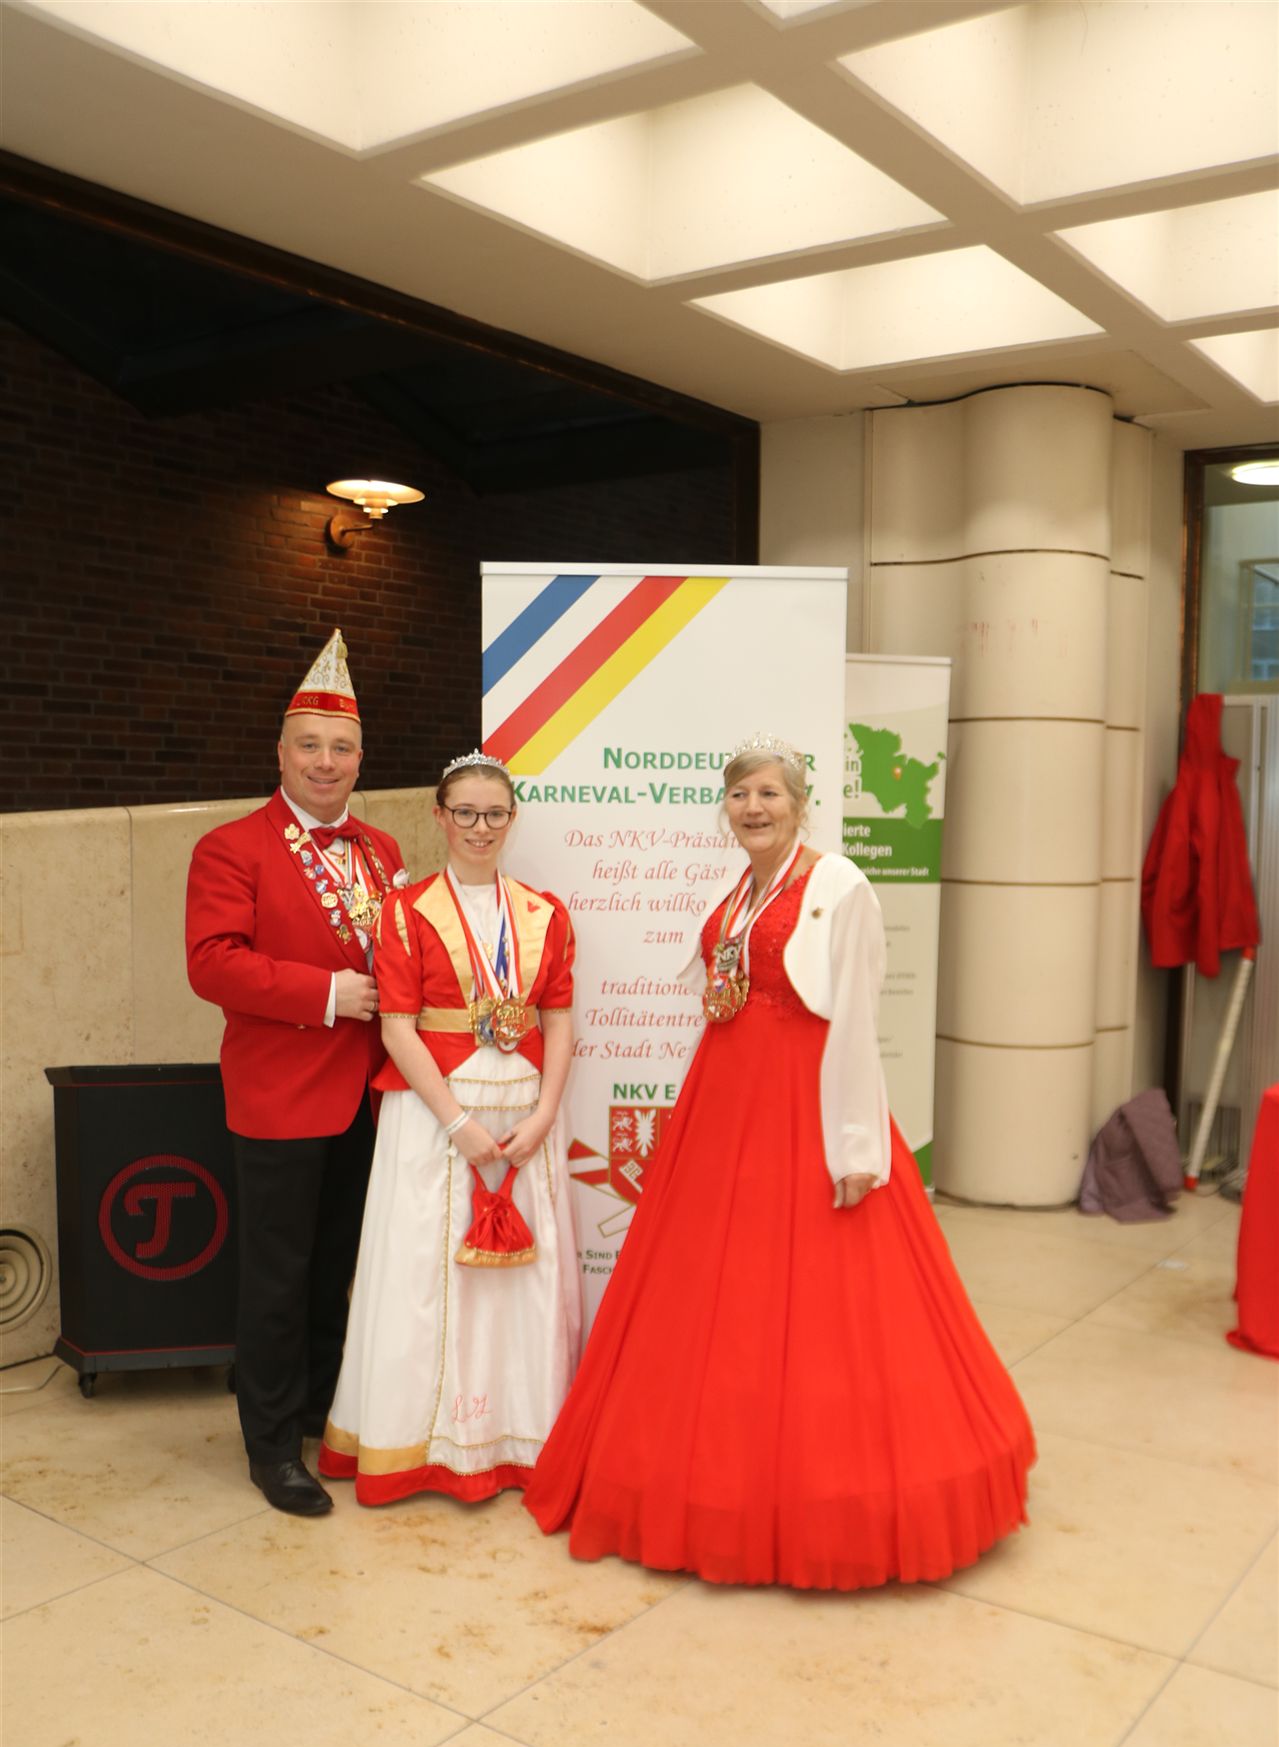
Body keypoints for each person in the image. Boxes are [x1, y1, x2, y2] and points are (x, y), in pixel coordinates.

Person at [524, 732, 1035, 1590]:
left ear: (800, 803)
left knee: (820, 1294)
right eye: (739, 795)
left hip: (803, 1104)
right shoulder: (739, 888)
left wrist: (857, 1146)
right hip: (724, 1100)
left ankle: (815, 1495)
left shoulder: (839, 885)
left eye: (768, 793)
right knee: (718, 1288)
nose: (752, 808)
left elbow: (857, 1022)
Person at [318, 751, 582, 1505]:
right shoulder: (404, 912)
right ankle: (420, 1446)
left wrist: (545, 1114)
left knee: (518, 1284)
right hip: (434, 1116)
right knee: (424, 1279)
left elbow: (559, 1019)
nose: (479, 827)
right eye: (464, 812)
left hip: (523, 1116)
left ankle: (517, 1436)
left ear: (511, 819)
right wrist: (458, 1122)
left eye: (494, 813)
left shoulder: (545, 913)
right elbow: (397, 1028)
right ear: (439, 816)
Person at [186, 631, 407, 1517]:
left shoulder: (383, 850)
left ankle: (317, 1410)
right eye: (309, 746)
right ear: (279, 754)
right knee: (277, 1277)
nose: (325, 762)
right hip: (280, 1095)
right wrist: (326, 994)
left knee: (336, 1267)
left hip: (370, 1094)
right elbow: (212, 963)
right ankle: (271, 1447)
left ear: (360, 759)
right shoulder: (231, 846)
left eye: (341, 747)